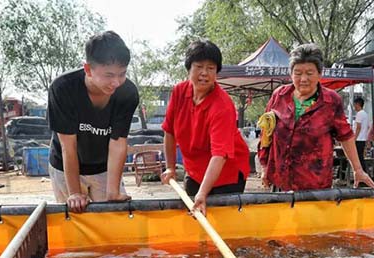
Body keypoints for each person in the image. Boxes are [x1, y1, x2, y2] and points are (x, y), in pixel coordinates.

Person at [258, 43, 374, 191]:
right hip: (281, 181)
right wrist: (264, 166)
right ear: (291, 74)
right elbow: (266, 133)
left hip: (314, 186)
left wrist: (358, 170)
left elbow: (345, 136)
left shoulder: (331, 101)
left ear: (320, 74)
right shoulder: (279, 96)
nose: (304, 78)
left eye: (310, 73)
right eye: (298, 73)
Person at [47, 30, 139, 213]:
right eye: (109, 75)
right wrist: (74, 193)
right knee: (74, 220)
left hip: (104, 167)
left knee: (112, 220)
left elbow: (118, 143)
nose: (116, 82)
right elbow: (68, 147)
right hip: (65, 166)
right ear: (88, 69)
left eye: (122, 74)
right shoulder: (63, 88)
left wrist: (113, 191)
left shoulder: (128, 93)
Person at [160, 39, 250, 215]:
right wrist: (170, 167)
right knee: (193, 218)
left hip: (226, 174)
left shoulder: (222, 105)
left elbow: (219, 155)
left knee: (221, 220)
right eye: (199, 66)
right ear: (189, 68)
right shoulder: (179, 92)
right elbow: (169, 131)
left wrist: (202, 193)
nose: (204, 73)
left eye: (211, 68)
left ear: (217, 72)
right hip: (194, 170)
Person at [353, 96, 369, 171]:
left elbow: (358, 127)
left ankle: (363, 173)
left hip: (359, 139)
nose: (354, 107)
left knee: (358, 158)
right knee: (360, 157)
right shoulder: (365, 114)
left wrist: (354, 138)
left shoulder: (359, 114)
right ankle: (363, 172)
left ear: (358, 104)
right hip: (363, 138)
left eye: (354, 105)